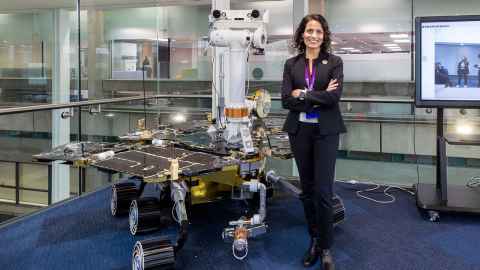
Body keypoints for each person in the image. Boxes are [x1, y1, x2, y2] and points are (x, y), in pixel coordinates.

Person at [281, 14, 346, 270]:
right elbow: (286, 99)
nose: (313, 36)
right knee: (307, 191)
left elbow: (334, 98)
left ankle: (327, 247)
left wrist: (304, 94)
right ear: (302, 34)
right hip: (300, 132)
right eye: (309, 31)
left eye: (318, 31)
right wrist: (318, 95)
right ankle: (315, 239)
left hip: (326, 132)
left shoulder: (334, 62)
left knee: (323, 191)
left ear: (324, 35)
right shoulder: (291, 64)